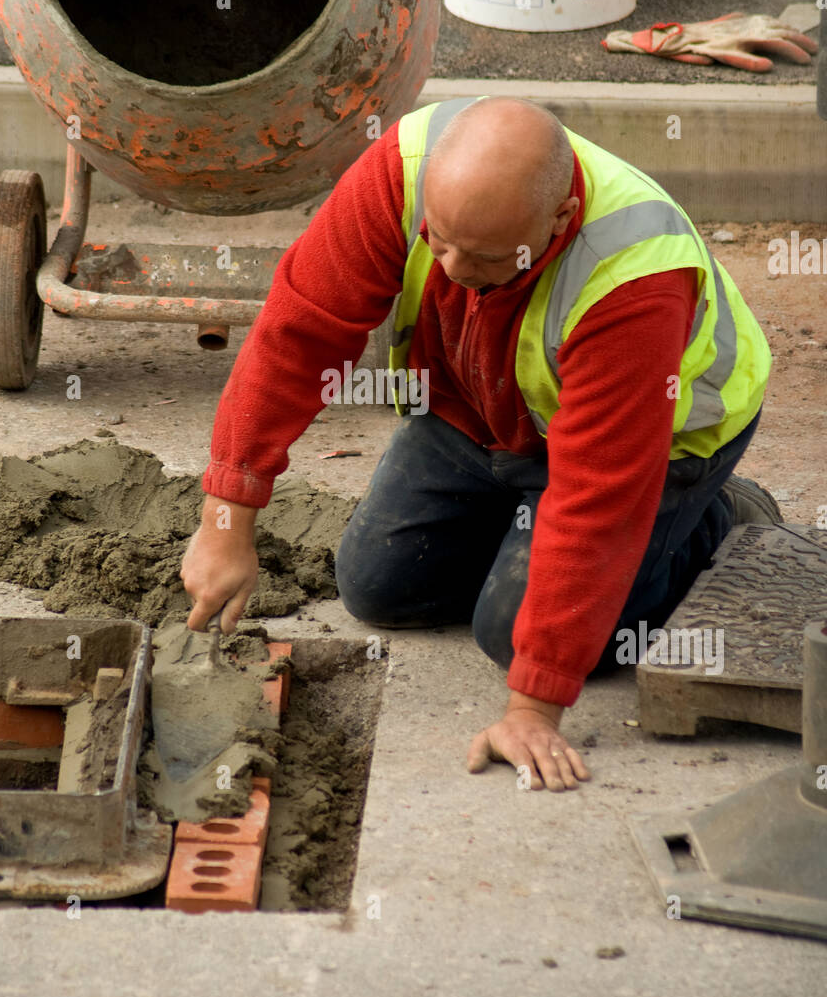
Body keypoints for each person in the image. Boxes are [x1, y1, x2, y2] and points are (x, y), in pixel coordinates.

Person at [180, 96, 778, 794]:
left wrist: (534, 706)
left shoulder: (633, 278)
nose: (454, 268)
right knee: (377, 586)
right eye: (440, 240)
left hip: (658, 446)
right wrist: (226, 519)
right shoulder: (403, 170)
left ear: (557, 223)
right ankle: (524, 533)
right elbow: (299, 333)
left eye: (487, 257)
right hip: (476, 409)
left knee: (510, 635)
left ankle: (719, 519)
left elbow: (595, 501)